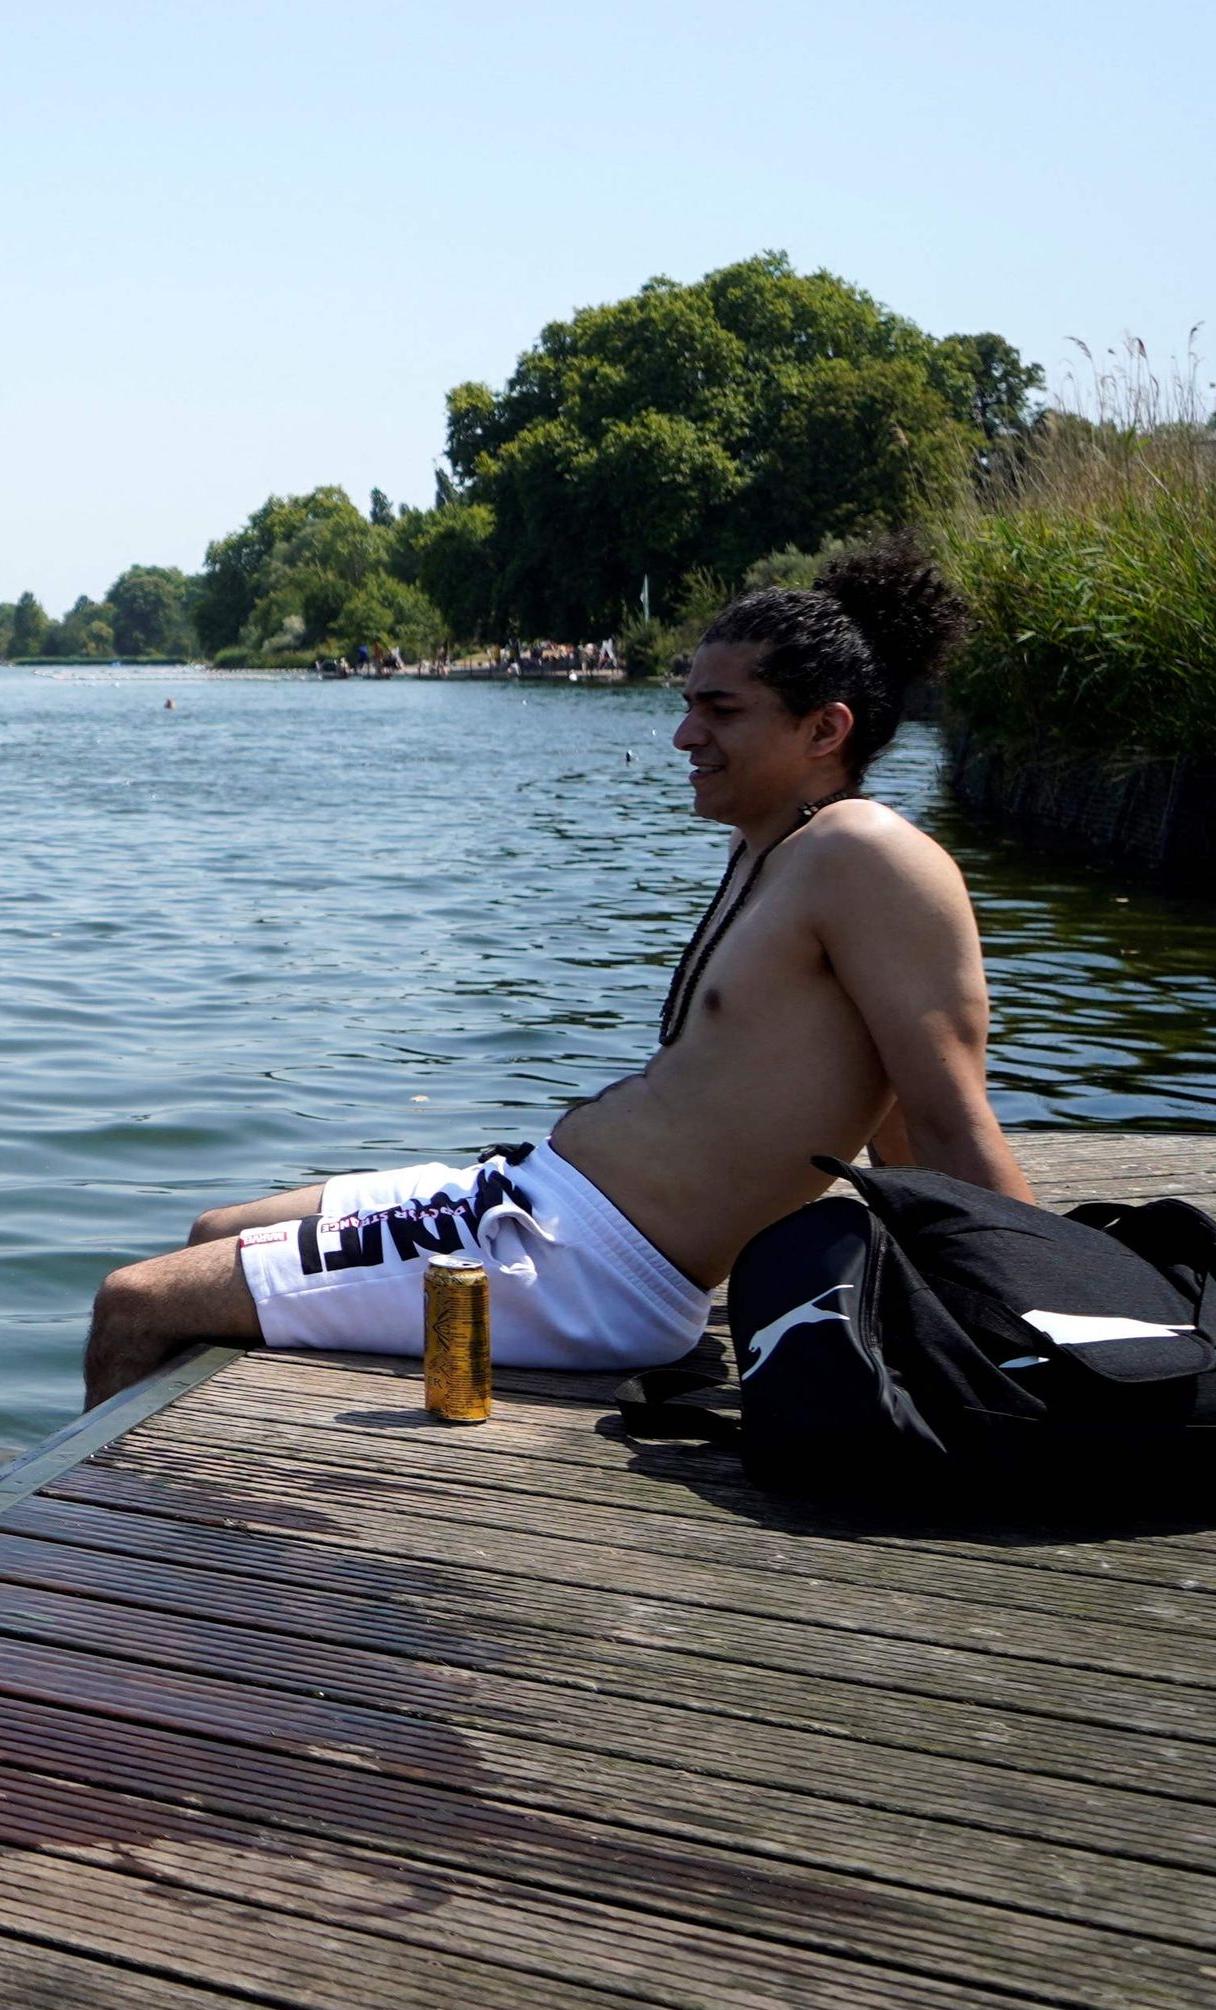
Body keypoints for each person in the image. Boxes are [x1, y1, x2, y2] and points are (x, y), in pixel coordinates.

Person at [82, 542, 1029, 1405]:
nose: (684, 736)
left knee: (136, 1304)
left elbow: (946, 1117)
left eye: (721, 710)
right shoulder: (781, 848)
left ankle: (84, 1580)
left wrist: (1034, 1324)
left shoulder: (867, 854)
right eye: (688, 703)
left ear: (824, 729)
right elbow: (897, 1119)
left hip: (591, 1272)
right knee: (214, 1229)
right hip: (532, 1204)